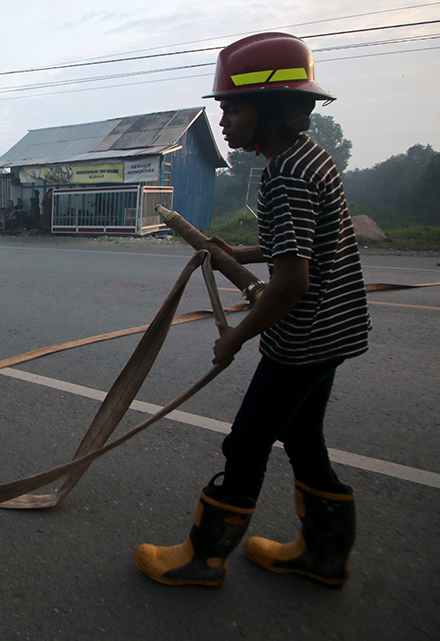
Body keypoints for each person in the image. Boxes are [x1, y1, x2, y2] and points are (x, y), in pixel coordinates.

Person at [133, 32, 369, 588]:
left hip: (305, 338)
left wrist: (234, 337)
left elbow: (291, 282)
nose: (224, 122)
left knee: (246, 442)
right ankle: (325, 554)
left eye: (232, 109)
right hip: (334, 333)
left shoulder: (286, 174)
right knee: (304, 438)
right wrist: (243, 252)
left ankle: (203, 559)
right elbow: (305, 246)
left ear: (270, 111)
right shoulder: (309, 159)